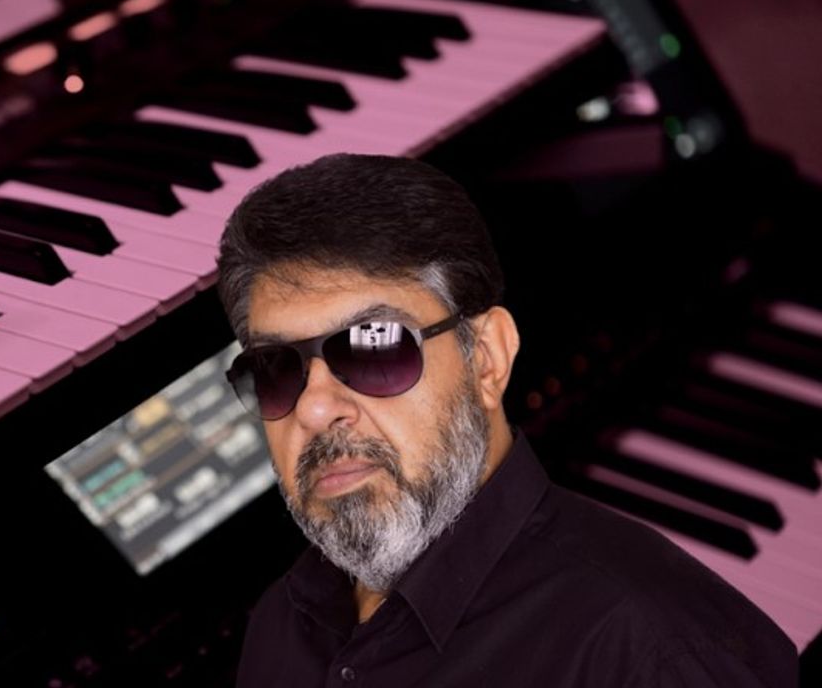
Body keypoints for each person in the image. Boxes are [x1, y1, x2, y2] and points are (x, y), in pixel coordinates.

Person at [216, 154, 798, 686]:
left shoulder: (651, 658)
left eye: (376, 345)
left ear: (488, 359)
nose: (315, 409)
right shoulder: (279, 625)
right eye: (275, 368)